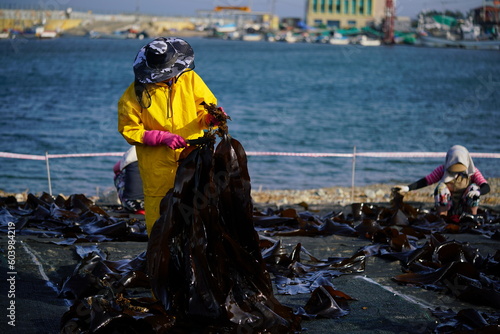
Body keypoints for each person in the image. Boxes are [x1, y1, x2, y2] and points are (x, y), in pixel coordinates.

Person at [117, 37, 222, 235]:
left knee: (194, 204)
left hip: (192, 158)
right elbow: (129, 130)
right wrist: (160, 137)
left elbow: (204, 110)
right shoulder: (134, 95)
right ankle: (159, 254)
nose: (167, 77)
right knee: (158, 212)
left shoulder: (190, 79)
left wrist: (211, 119)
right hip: (157, 165)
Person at [393, 145, 490, 217]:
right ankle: (443, 216)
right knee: (440, 188)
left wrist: (478, 192)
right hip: (448, 205)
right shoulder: (442, 170)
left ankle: (472, 216)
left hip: (464, 204)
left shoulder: (472, 171)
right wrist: (407, 188)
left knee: (474, 188)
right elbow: (426, 181)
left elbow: (486, 186)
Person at [113, 146, 145, 214]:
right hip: (151, 203)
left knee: (118, 175)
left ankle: (127, 199)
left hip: (131, 203)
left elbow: (115, 169)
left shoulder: (133, 152)